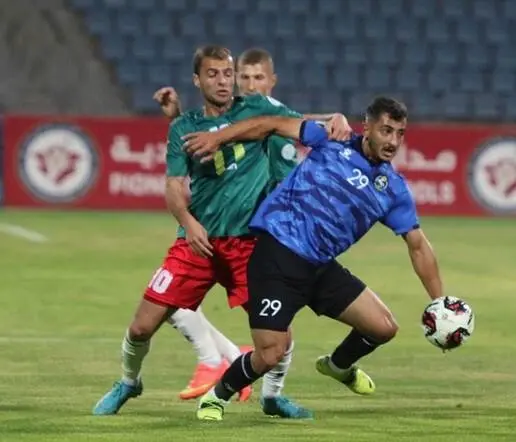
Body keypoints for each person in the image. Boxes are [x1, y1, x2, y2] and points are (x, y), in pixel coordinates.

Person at [93, 45, 350, 418]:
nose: (223, 81)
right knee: (141, 327)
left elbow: (300, 121)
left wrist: (336, 117)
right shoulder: (184, 126)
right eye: (213, 74)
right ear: (197, 80)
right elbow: (174, 185)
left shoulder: (257, 110)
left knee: (279, 336)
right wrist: (189, 222)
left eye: (228, 73)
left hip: (249, 246)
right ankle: (129, 383)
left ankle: (273, 398)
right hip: (197, 243)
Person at [181, 96, 444, 422]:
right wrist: (218, 137)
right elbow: (272, 124)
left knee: (383, 327)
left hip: (319, 266)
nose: (392, 141)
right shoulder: (330, 139)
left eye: (399, 133)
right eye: (386, 130)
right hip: (276, 255)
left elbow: (417, 244)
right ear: (368, 127)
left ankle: (338, 366)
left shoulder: (392, 189)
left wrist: (440, 302)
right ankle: (216, 397)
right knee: (270, 354)